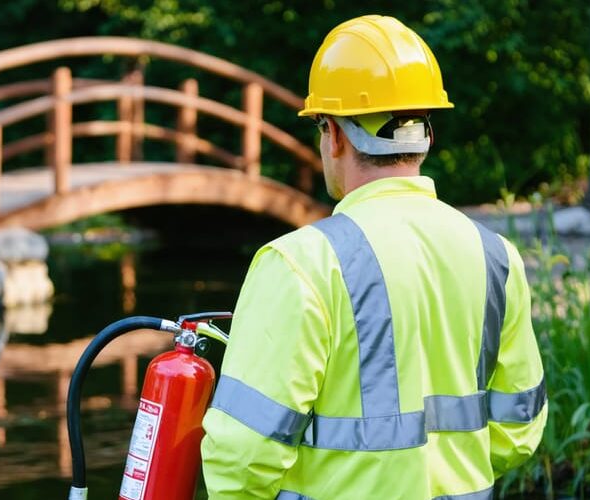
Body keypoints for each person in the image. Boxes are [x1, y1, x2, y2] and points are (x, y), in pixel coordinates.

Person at [201, 15, 547, 499]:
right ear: (426, 133)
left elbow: (241, 455)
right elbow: (518, 431)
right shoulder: (495, 256)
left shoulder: (301, 263)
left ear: (335, 135)